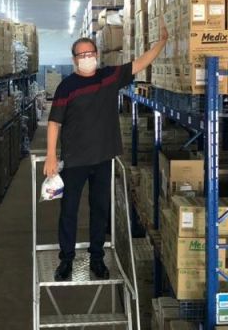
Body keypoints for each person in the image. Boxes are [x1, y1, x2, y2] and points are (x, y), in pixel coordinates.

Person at [45, 20, 168, 281]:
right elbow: (54, 122)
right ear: (74, 59)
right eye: (82, 55)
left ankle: (97, 258)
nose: (87, 58)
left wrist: (161, 43)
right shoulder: (66, 87)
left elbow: (139, 63)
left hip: (102, 157)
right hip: (75, 159)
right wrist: (51, 156)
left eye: (90, 53)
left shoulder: (109, 77)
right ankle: (66, 259)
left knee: (100, 209)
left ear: (97, 55)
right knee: (69, 210)